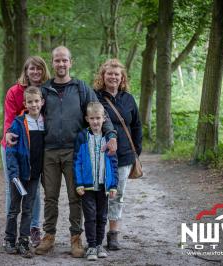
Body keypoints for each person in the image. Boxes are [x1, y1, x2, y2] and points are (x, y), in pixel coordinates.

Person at [8, 46, 117, 257]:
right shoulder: (45, 90)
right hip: (49, 152)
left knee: (76, 195)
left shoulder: (80, 87)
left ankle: (76, 238)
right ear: (53, 63)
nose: (61, 64)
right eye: (57, 61)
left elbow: (99, 112)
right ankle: (49, 236)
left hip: (74, 152)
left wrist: (111, 135)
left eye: (64, 60)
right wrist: (10, 133)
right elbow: (28, 115)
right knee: (50, 197)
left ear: (70, 62)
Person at [0, 56, 50, 247]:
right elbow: (9, 118)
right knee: (12, 189)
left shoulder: (47, 90)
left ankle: (32, 229)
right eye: (32, 69)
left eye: (39, 69)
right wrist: (8, 135)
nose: (35, 72)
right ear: (26, 71)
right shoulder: (14, 91)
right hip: (13, 146)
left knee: (34, 190)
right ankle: (10, 235)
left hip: (35, 151)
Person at [94, 59, 142, 250]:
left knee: (117, 195)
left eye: (117, 74)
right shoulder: (95, 97)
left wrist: (135, 152)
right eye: (109, 74)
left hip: (123, 157)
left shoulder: (128, 99)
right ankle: (96, 233)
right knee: (99, 194)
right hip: (99, 154)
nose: (113, 77)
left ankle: (113, 235)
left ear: (122, 78)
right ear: (103, 76)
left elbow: (137, 125)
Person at [73, 102, 118, 261]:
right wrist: (78, 183)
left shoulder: (109, 138)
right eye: (92, 118)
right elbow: (77, 162)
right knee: (90, 217)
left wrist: (113, 185)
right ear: (87, 119)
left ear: (104, 118)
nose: (95, 122)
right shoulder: (82, 137)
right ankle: (91, 246)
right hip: (87, 187)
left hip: (103, 186)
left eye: (98, 118)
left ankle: (99, 245)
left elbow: (113, 164)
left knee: (102, 216)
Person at [4, 86, 45, 258]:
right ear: (25, 104)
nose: (34, 104)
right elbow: (11, 151)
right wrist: (13, 174)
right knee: (14, 208)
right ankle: (9, 239)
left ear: (42, 102)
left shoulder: (45, 122)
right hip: (19, 175)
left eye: (37, 101)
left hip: (34, 175)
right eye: (30, 102)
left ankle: (23, 241)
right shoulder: (19, 123)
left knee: (28, 209)